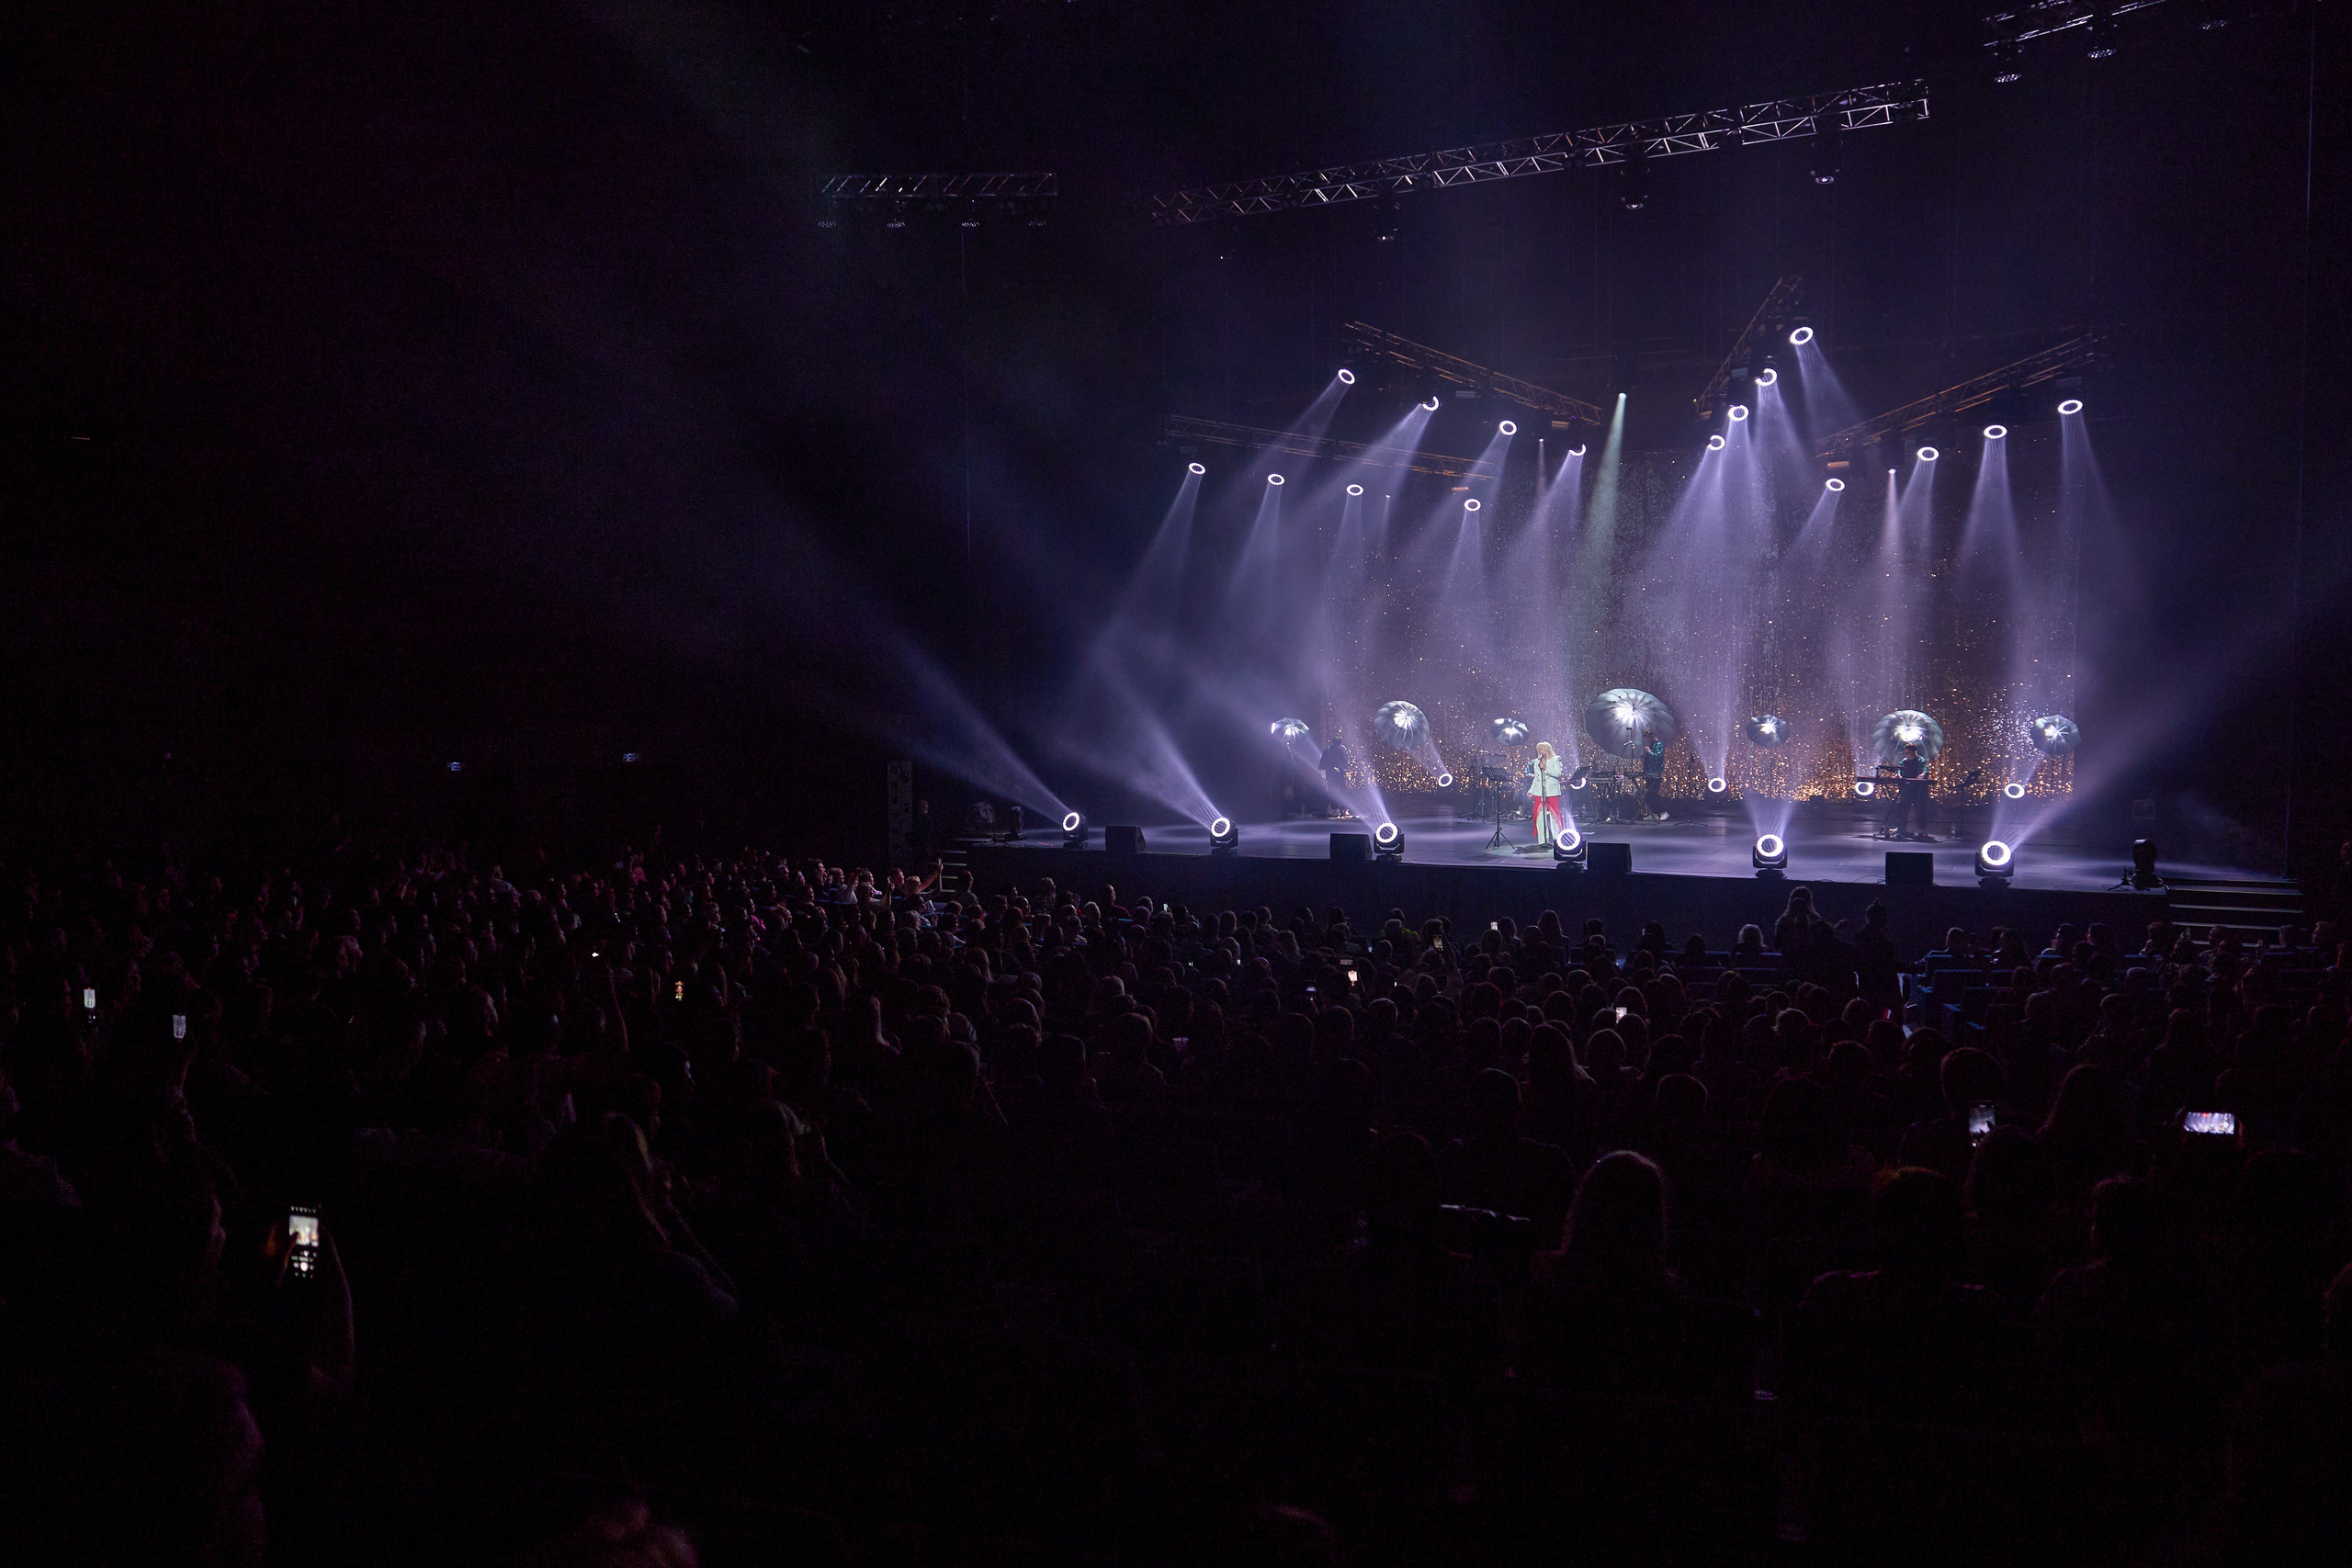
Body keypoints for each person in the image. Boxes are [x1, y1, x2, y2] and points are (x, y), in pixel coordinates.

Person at [1882, 740, 1931, 840]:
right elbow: (1900, 770)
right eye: (1906, 753)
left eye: (1908, 753)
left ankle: (1921, 830)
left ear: (1914, 752)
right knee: (1903, 808)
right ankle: (1902, 828)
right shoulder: (1904, 761)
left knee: (1920, 809)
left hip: (1918, 790)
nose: (1907, 755)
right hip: (1907, 789)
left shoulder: (1920, 760)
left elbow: (1925, 769)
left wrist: (1922, 774)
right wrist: (1899, 775)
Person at [1527, 741, 1565, 845]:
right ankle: (1542, 841)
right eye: (1539, 750)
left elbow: (1557, 773)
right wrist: (1531, 791)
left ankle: (1558, 840)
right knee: (1540, 817)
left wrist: (1545, 768)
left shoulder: (1556, 759)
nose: (1540, 751)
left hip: (1552, 792)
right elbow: (1536, 778)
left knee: (1554, 816)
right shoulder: (1536, 762)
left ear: (1547, 750)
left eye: (1542, 749)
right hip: (1539, 792)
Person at [1317, 733, 1352, 818]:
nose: (1338, 747)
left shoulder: (1343, 749)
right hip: (1331, 775)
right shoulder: (1328, 750)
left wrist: (1348, 764)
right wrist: (1332, 768)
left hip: (1341, 774)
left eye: (1339, 745)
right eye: (1337, 745)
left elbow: (1347, 759)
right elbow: (1323, 763)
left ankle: (1344, 809)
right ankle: (1335, 809)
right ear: (1333, 744)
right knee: (1333, 792)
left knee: (1344, 791)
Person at [1640, 731, 1668, 820]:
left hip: (1656, 773)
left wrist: (1649, 752)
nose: (1647, 740)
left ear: (1651, 736)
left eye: (1647, 738)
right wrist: (1644, 756)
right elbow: (1649, 759)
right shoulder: (1651, 745)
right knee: (1648, 795)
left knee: (1653, 794)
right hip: (1649, 773)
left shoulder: (1659, 745)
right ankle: (1653, 814)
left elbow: (1657, 757)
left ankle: (1663, 812)